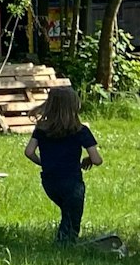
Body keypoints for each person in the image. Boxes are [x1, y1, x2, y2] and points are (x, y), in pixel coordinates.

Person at [23, 86, 102, 244]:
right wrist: (87, 160)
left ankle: (64, 243)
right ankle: (65, 246)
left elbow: (29, 152)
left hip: (49, 182)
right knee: (72, 217)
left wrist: (43, 162)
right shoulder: (80, 130)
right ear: (74, 105)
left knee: (67, 212)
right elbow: (97, 160)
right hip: (72, 182)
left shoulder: (41, 129)